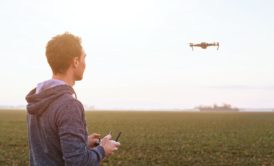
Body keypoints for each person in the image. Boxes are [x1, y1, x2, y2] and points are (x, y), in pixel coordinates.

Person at [25, 32, 120, 166]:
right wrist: (102, 150)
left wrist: (82, 143)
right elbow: (78, 163)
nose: (85, 64)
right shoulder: (69, 105)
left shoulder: (37, 98)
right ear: (75, 61)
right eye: (84, 58)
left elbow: (48, 148)